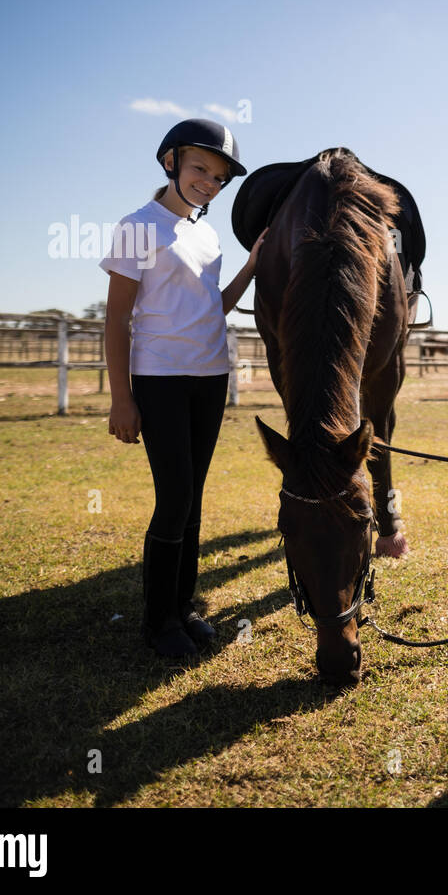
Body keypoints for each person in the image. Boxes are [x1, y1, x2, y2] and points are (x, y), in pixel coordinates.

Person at [100, 118, 266, 658]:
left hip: (210, 376)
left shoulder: (208, 234)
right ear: (171, 162)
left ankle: (182, 607)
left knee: (192, 498)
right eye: (200, 168)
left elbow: (210, 308)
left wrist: (250, 268)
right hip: (160, 379)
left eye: (219, 177)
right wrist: (122, 397)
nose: (209, 182)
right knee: (173, 498)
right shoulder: (138, 226)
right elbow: (116, 318)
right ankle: (157, 622)